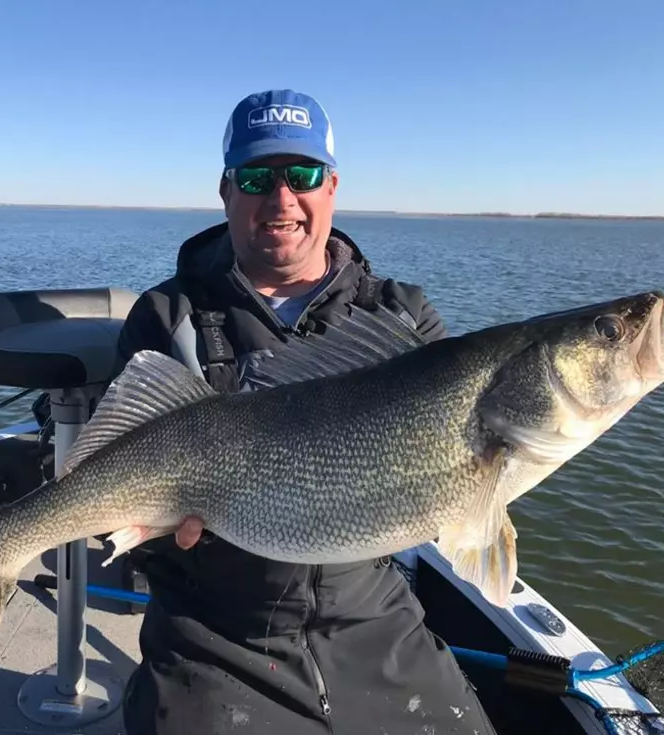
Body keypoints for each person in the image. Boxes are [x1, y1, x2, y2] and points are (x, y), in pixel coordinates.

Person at [113, 89, 497, 735]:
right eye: (258, 177)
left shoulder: (401, 317)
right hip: (216, 627)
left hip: (372, 616)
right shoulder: (167, 316)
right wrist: (150, 539)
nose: (282, 197)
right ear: (227, 190)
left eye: (304, 174)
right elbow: (114, 461)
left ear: (333, 186)